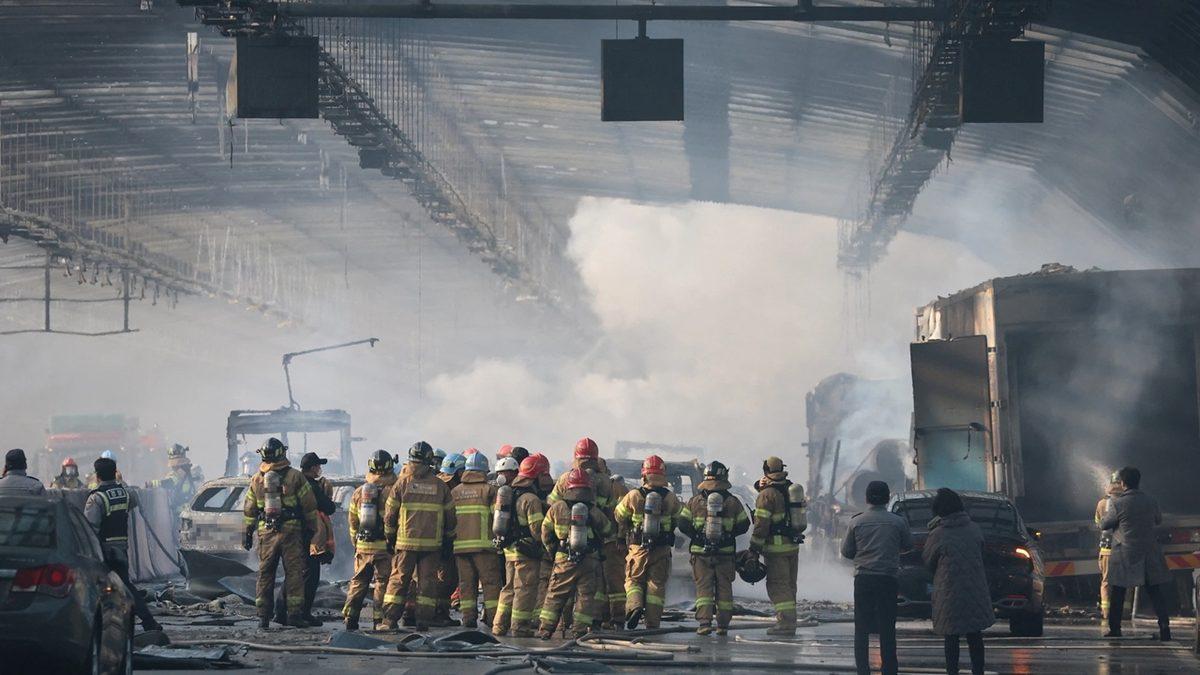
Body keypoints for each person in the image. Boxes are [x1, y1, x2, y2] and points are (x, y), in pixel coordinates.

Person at [241, 438, 319, 629]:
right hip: (291, 532)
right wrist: (311, 529)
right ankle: (294, 616)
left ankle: (263, 617)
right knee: (294, 574)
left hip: (266, 532)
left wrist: (248, 532)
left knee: (266, 573)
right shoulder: (295, 476)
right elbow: (309, 505)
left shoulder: (257, 478)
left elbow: (249, 508)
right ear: (282, 453)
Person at [382, 441, 456, 631]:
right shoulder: (440, 486)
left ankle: (390, 621)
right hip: (432, 546)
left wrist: (390, 538)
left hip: (405, 544)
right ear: (430, 461)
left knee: (398, 581)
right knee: (427, 584)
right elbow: (450, 517)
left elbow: (390, 515)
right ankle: (423, 622)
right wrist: (448, 540)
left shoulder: (401, 484)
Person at [841, 480, 912, 675]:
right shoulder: (898, 522)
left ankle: (863, 670)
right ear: (888, 498)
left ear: (866, 498)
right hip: (888, 579)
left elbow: (846, 552)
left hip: (863, 579)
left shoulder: (856, 521)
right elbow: (908, 545)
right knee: (887, 626)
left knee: (861, 627)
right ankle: (889, 669)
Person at [83, 457, 161, 632]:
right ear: (115, 472)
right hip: (122, 548)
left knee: (96, 587)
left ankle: (106, 626)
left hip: (102, 550)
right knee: (125, 586)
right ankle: (143, 621)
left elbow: (90, 528)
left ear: (97, 476)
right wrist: (120, 481)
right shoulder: (126, 493)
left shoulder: (96, 498)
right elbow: (133, 501)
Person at [537, 467, 612, 639]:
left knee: (556, 594)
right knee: (585, 596)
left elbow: (545, 532)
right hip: (589, 559)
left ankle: (546, 629)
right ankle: (579, 631)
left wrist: (552, 551)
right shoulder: (593, 510)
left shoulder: (557, 507)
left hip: (564, 558)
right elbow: (608, 529)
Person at [924, 488, 992, 675]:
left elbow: (928, 560)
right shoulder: (974, 529)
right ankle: (978, 671)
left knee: (951, 636)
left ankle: (952, 672)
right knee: (975, 634)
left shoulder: (937, 534)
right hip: (974, 589)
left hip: (949, 592)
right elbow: (982, 553)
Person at [678, 460, 750, 635]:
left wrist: (697, 536)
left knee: (704, 588)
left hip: (700, 554)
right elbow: (744, 525)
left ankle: (704, 623)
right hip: (725, 554)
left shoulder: (694, 502)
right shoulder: (733, 502)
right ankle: (723, 625)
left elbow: (682, 524)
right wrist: (728, 534)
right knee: (724, 588)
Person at [1100, 466, 1172, 640]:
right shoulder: (1151, 500)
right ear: (1138, 482)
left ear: (1123, 483)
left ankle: (1115, 629)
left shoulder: (1117, 503)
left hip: (1126, 553)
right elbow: (1158, 520)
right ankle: (1164, 628)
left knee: (1118, 591)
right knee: (1155, 591)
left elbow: (1104, 524)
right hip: (1149, 551)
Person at [613, 455, 682, 630]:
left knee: (634, 581)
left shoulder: (634, 495)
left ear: (644, 475)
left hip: (638, 548)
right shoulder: (671, 498)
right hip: (662, 549)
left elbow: (619, 516)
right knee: (656, 586)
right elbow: (679, 519)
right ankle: (653, 624)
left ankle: (635, 607)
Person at [493, 453, 551, 637]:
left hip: (509, 550)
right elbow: (537, 530)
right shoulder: (530, 499)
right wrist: (547, 546)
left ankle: (499, 626)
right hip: (526, 552)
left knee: (508, 589)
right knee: (524, 590)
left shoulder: (511, 492)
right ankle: (520, 628)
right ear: (535, 476)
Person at [749, 456, 806, 636]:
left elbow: (761, 525)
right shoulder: (790, 488)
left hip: (776, 549)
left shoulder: (767, 495)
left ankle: (786, 624)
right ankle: (790, 620)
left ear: (766, 471)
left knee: (778, 585)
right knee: (789, 586)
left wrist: (754, 549)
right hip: (792, 546)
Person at [278, 452, 337, 626]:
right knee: (311, 576)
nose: (320, 469)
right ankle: (303, 613)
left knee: (294, 573)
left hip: (294, 534)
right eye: (318, 466)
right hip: (308, 536)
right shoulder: (309, 484)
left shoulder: (294, 481)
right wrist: (326, 495)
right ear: (312, 468)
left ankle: (280, 612)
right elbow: (328, 507)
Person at [344, 450, 398, 630]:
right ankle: (378, 621)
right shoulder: (394, 491)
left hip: (363, 545)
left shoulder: (359, 492)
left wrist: (356, 543)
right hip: (385, 546)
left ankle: (350, 618)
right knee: (382, 582)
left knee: (359, 581)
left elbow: (353, 521)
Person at [451, 452, 502, 628]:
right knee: (491, 584)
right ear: (484, 470)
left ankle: (468, 619)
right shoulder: (490, 490)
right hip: (485, 548)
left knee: (466, 585)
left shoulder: (455, 492)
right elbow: (498, 517)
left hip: (460, 548)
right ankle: (493, 620)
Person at [435, 452, 467, 625]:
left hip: (435, 539)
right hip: (443, 540)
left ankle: (440, 612)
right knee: (447, 578)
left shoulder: (438, 485)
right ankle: (438, 613)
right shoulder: (448, 489)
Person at [1095, 474, 1122, 620]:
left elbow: (1098, 523)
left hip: (1106, 548)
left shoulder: (1101, 503)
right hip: (1122, 548)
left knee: (1106, 582)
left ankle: (1106, 613)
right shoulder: (1127, 503)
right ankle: (1124, 611)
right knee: (1125, 581)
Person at [149, 444, 203, 511]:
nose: (174, 467)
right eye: (173, 464)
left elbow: (170, 481)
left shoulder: (193, 469)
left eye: (177, 463)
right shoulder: (173, 474)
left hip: (191, 511)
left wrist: (152, 483)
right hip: (177, 513)